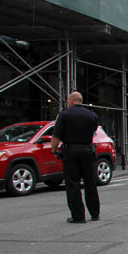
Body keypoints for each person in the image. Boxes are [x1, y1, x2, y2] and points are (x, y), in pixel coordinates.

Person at [51, 91, 100, 223]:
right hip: (87, 150)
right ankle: (95, 213)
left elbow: (56, 136)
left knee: (73, 183)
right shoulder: (92, 115)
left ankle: (78, 216)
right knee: (90, 182)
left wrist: (53, 149)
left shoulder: (64, 114)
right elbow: (94, 130)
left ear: (71, 101)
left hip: (70, 151)